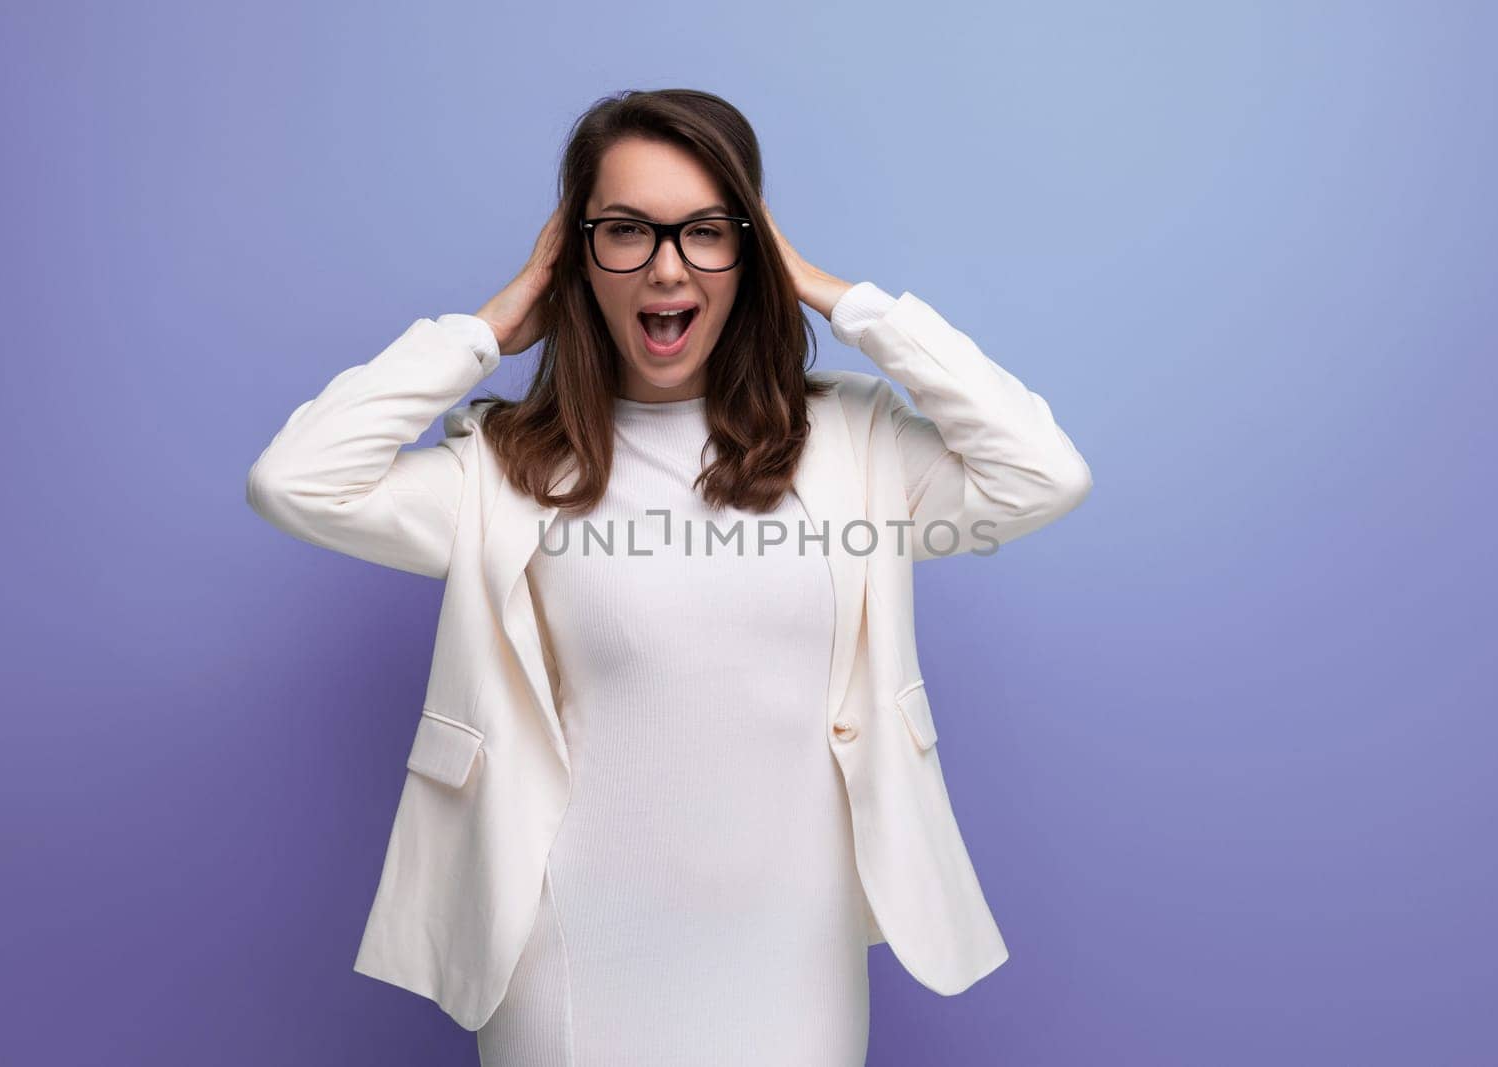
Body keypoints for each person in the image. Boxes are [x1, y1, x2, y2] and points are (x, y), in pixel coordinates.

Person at [247, 88, 1093, 1067]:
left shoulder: (856, 444)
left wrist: (838, 296)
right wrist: (484, 327)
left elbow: (1042, 471)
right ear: (576, 255)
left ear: (750, 249)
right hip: (567, 947)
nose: (665, 265)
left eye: (704, 230)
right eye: (625, 231)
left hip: (792, 947)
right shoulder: (503, 469)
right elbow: (294, 479)